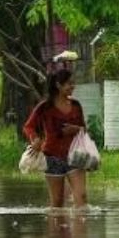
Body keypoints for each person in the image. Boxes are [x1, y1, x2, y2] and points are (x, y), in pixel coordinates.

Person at [23, 69, 88, 207]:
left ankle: (80, 226)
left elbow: (84, 129)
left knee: (81, 198)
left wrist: (75, 129)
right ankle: (57, 228)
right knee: (57, 203)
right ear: (58, 85)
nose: (73, 86)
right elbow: (29, 127)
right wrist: (34, 140)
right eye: (69, 84)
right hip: (52, 157)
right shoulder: (45, 107)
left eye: (73, 83)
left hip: (75, 156)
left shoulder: (76, 106)